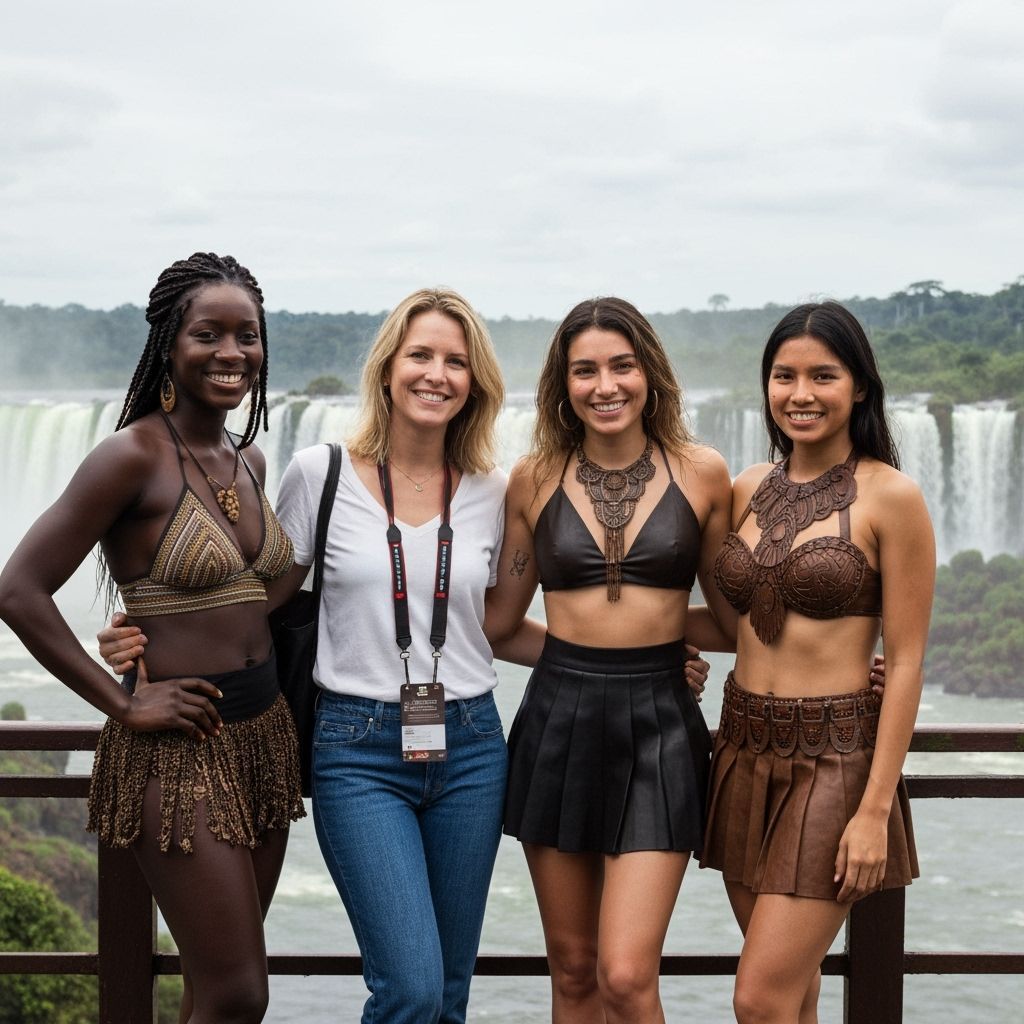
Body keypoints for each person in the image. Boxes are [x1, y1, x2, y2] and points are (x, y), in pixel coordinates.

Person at [0, 253, 304, 1024]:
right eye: (209, 334)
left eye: (248, 336)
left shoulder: (251, 459)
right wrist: (123, 703)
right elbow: (18, 589)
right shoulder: (132, 456)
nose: (231, 354)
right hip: (176, 745)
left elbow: (253, 595)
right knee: (240, 993)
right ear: (171, 343)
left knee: (213, 982)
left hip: (264, 736)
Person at [484, 296, 737, 1024]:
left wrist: (660, 646)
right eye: (585, 370)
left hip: (661, 726)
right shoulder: (532, 478)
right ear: (563, 385)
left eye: (622, 366)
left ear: (649, 373)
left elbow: (734, 621)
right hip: (557, 722)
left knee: (625, 975)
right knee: (572, 970)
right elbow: (500, 627)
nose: (606, 385)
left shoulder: (703, 473)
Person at [698, 301, 933, 1024]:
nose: (801, 393)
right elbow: (738, 624)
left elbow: (910, 659)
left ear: (859, 386)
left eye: (822, 376)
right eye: (784, 376)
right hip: (741, 748)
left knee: (758, 997)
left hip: (835, 763)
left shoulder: (891, 497)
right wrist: (643, 644)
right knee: (792, 997)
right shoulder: (745, 487)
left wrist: (872, 812)